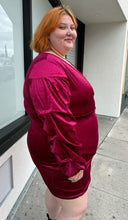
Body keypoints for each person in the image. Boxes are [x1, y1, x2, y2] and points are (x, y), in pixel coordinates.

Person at [23, 5, 99, 220]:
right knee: (76, 207)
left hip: (65, 152)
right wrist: (71, 162)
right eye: (62, 27)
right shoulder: (48, 70)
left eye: (72, 27)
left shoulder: (58, 61)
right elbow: (56, 120)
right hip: (62, 154)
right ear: (47, 32)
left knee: (57, 194)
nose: (70, 32)